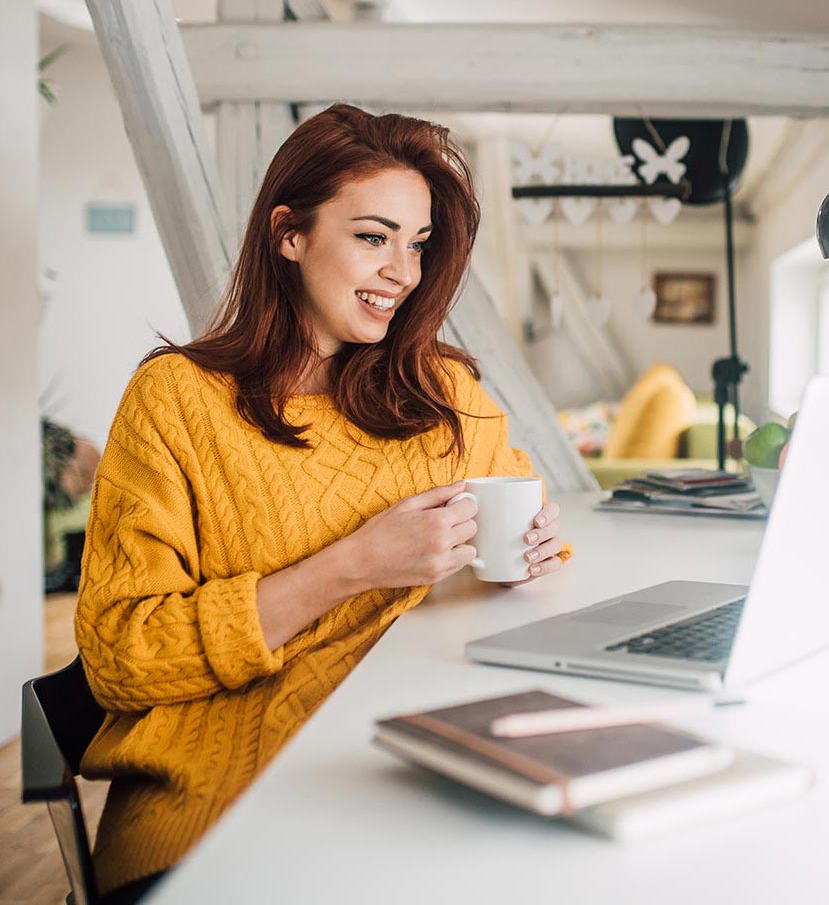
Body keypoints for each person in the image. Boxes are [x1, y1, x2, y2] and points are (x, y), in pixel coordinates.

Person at [75, 104, 571, 902]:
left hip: (412, 777)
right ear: (289, 234)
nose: (403, 273)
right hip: (226, 814)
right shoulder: (177, 400)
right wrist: (350, 567)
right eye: (374, 237)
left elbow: (521, 529)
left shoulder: (443, 390)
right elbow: (119, 656)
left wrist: (529, 553)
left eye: (417, 245)